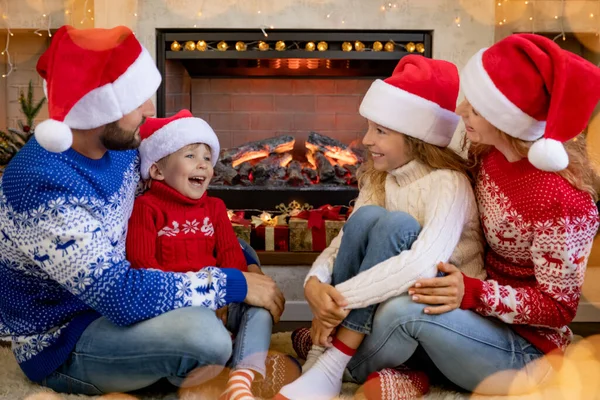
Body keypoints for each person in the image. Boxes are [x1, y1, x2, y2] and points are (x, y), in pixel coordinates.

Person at [293, 34, 600, 399]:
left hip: (526, 350)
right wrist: (319, 283)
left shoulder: (563, 202)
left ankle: (340, 362)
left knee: (404, 311)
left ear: (510, 118)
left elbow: (559, 308)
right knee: (403, 292)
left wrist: (476, 293)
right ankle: (404, 371)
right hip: (470, 315)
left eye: (478, 106)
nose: (462, 110)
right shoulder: (485, 154)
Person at [0, 25, 283, 395]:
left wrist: (241, 262)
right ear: (98, 107)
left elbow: (174, 200)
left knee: (230, 259)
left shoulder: (120, 149)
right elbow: (119, 295)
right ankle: (213, 363)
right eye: (137, 101)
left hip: (126, 289)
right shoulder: (41, 185)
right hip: (65, 337)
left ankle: (219, 362)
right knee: (205, 338)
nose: (150, 110)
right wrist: (233, 283)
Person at [277, 55, 485, 400]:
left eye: (380, 131)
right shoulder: (381, 179)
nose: (366, 140)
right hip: (377, 304)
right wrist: (315, 284)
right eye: (369, 128)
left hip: (426, 312)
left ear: (417, 137)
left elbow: (422, 265)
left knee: (398, 225)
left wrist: (336, 305)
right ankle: (324, 354)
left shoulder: (448, 183)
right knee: (365, 220)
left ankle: (333, 359)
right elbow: (344, 241)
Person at [127, 110, 279, 400]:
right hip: (180, 308)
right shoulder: (147, 209)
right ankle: (215, 370)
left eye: (207, 158)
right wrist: (203, 299)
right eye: (190, 156)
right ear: (158, 171)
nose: (203, 165)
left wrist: (231, 295)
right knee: (204, 333)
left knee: (260, 310)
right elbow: (144, 268)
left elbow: (231, 257)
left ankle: (243, 376)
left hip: (221, 301)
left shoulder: (216, 208)